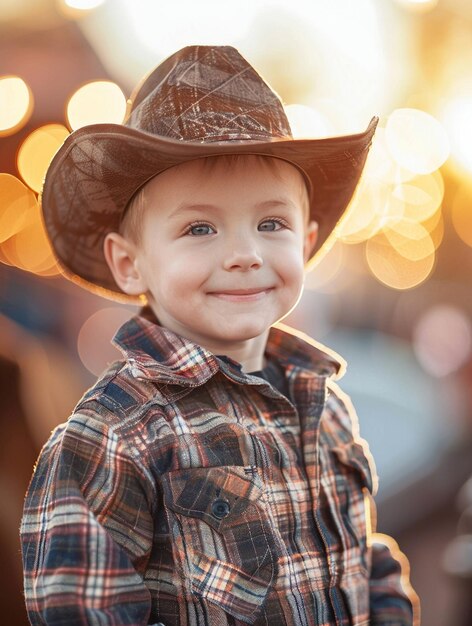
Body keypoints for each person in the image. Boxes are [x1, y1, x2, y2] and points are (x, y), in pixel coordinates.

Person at [20, 45, 419, 625]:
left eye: (270, 223)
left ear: (305, 243)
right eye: (199, 227)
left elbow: (360, 557)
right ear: (130, 263)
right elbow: (84, 610)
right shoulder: (113, 435)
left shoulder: (324, 406)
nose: (243, 254)